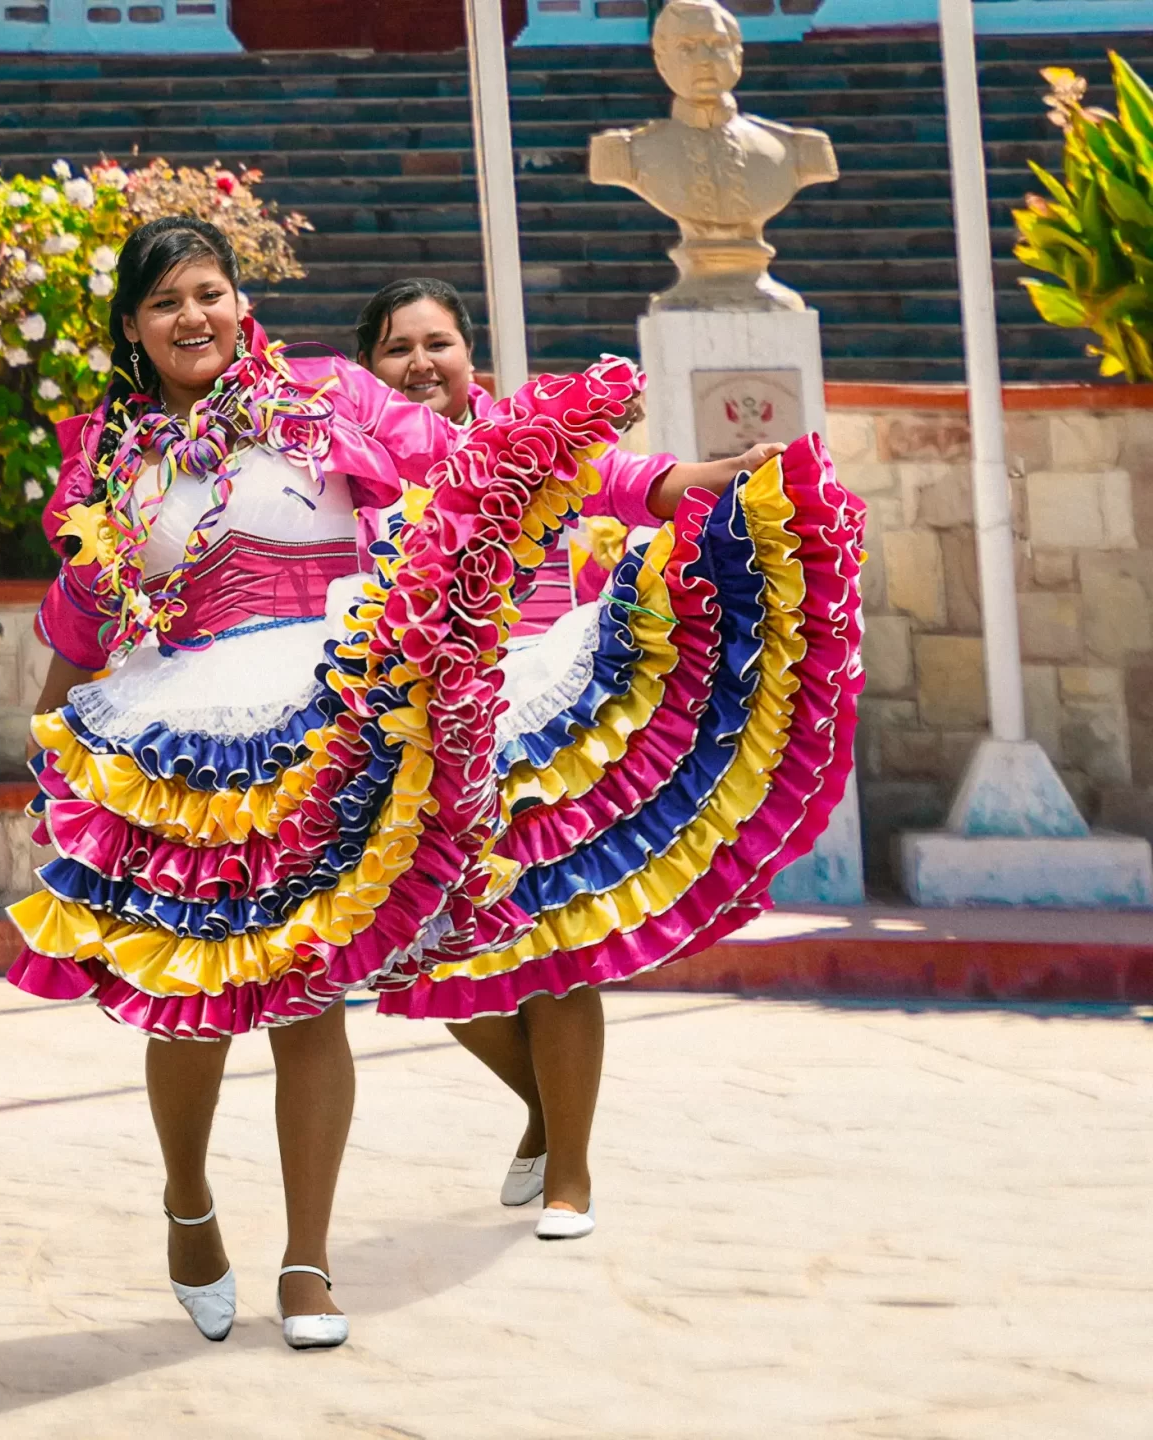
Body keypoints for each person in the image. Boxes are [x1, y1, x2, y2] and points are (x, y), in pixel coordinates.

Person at [11, 218, 645, 1350]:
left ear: (238, 300)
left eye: (209, 291)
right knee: (192, 1013)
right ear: (132, 328)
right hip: (184, 755)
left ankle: (308, 1263)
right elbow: (81, 618)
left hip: (326, 730)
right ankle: (189, 1204)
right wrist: (47, 763)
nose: (193, 317)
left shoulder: (327, 396)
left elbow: (484, 459)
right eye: (166, 303)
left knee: (308, 1002)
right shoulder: (107, 459)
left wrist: (668, 481)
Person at [356, 276, 862, 1239]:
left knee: (554, 946)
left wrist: (727, 472)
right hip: (419, 732)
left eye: (437, 343)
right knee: (418, 956)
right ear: (370, 367)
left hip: (541, 714)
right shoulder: (356, 466)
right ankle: (547, 1112)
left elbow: (638, 483)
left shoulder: (526, 436)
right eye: (396, 348)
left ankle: (570, 1176)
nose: (420, 363)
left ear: (471, 356)